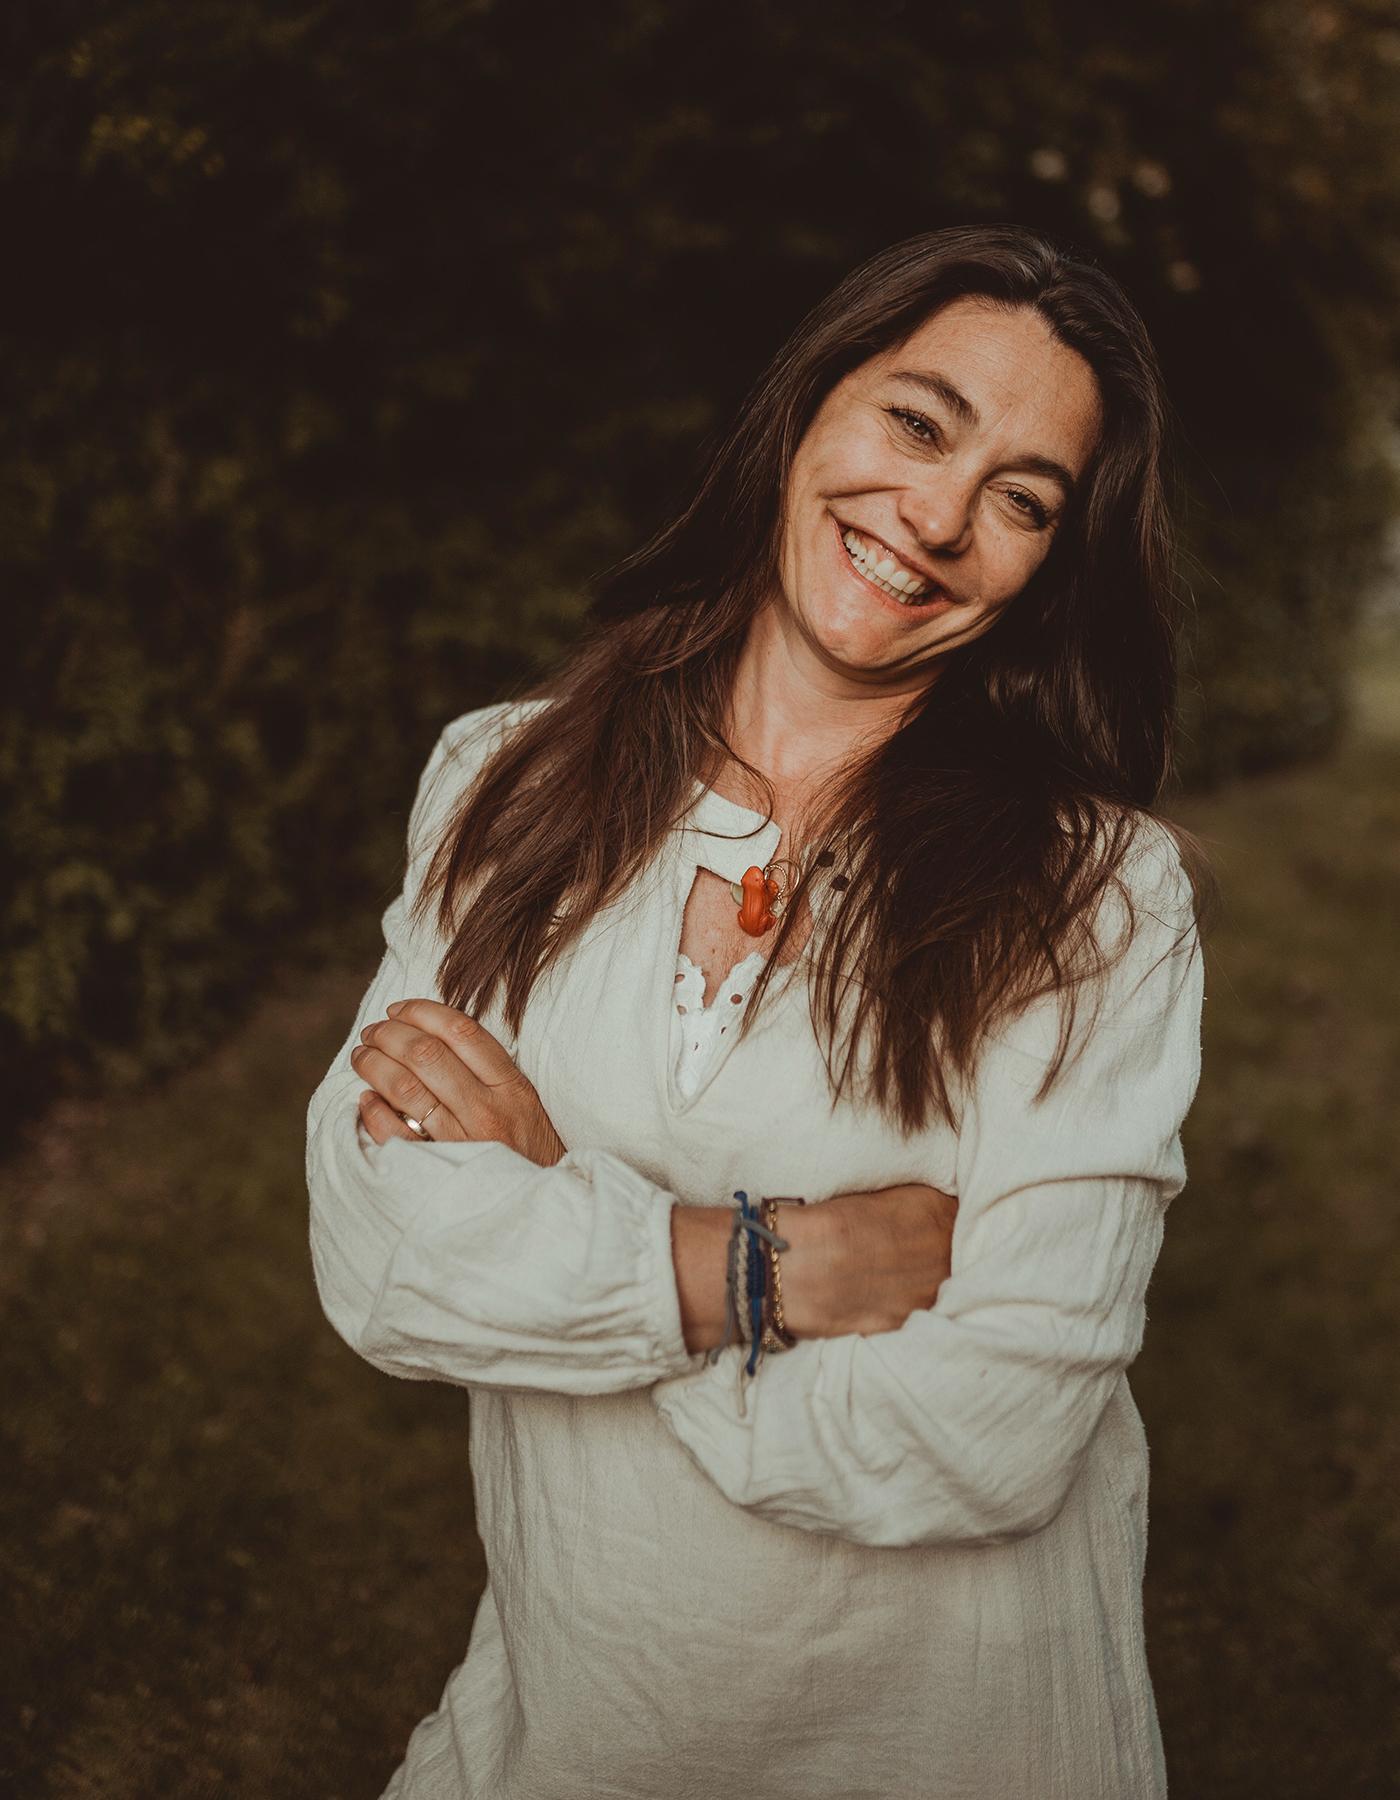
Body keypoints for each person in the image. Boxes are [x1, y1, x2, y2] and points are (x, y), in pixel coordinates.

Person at [305, 222, 1214, 1800]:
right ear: (805, 409)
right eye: (917, 422)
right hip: (570, 1726)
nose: (935, 517)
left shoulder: (1096, 896)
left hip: (949, 1743)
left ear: (1051, 570)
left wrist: (567, 1237)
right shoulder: (503, 783)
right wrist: (762, 1267)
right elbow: (384, 1264)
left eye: (1020, 501)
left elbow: (993, 1428)